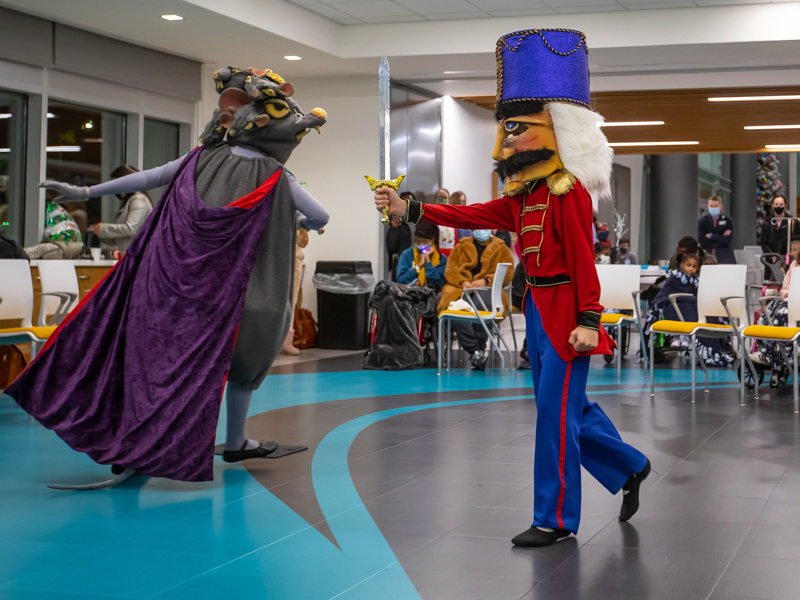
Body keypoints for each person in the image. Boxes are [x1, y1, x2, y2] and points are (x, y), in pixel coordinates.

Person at [375, 28, 649, 547]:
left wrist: (589, 319)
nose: (503, 145)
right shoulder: (525, 197)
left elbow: (584, 260)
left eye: (515, 130)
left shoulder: (567, 194)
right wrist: (409, 207)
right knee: (566, 409)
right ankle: (631, 465)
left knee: (556, 418)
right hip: (538, 306)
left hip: (567, 310)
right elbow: (470, 211)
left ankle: (555, 518)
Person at [8, 66, 329, 485]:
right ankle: (235, 441)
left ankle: (141, 439)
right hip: (246, 293)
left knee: (166, 365)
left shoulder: (199, 159)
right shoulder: (276, 177)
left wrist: (84, 193)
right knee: (244, 367)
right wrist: (304, 220)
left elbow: (150, 177)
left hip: (181, 292)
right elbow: (321, 214)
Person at [438, 230, 513, 370]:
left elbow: (508, 273)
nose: (480, 229)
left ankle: (478, 351)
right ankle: (475, 351)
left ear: (491, 228)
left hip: (488, 289)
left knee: (481, 306)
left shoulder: (502, 248)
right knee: (456, 311)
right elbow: (450, 269)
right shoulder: (460, 246)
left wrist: (486, 280)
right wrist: (462, 282)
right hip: (462, 289)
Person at [750, 239, 800, 388]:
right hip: (791, 300)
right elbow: (785, 288)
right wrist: (789, 295)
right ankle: (764, 352)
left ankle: (788, 354)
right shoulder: (794, 265)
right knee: (772, 310)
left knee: (785, 314)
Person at [87, 165, 154, 255]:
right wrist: (101, 234)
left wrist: (103, 229)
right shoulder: (129, 201)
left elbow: (130, 229)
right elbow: (121, 239)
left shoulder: (138, 200)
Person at [395, 222, 446, 289]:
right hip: (410, 295)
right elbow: (401, 280)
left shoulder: (441, 259)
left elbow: (439, 284)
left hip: (433, 296)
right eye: (417, 241)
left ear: (433, 239)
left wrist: (428, 263)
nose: (421, 245)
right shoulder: (407, 254)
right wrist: (418, 267)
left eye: (425, 242)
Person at [698, 195, 735, 264]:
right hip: (706, 256)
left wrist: (711, 236)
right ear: (708, 206)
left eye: (715, 206)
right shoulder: (702, 221)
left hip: (725, 257)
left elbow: (727, 240)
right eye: (711, 206)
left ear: (721, 206)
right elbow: (701, 239)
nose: (713, 208)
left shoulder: (728, 221)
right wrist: (720, 237)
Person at [386, 195, 413, 279]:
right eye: (404, 203)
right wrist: (394, 228)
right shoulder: (397, 223)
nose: (407, 206)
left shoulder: (419, 222)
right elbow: (391, 248)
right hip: (401, 268)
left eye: (410, 203)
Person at [434, 188, 458, 257]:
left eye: (445, 197)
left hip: (452, 256)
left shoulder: (453, 218)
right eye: (440, 197)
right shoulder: (432, 218)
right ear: (435, 199)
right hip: (437, 256)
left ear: (449, 200)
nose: (442, 200)